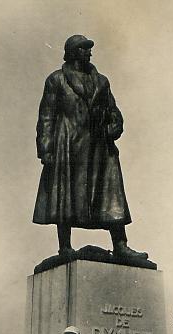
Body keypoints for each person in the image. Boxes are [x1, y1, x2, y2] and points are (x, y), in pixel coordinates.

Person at [33, 34, 147, 260]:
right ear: (72, 52)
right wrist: (46, 149)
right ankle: (65, 247)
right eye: (84, 48)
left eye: (89, 48)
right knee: (65, 195)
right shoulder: (56, 80)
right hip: (68, 144)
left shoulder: (102, 81)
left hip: (98, 146)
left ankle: (121, 245)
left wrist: (115, 126)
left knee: (110, 193)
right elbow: (46, 116)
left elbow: (113, 110)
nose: (89, 52)